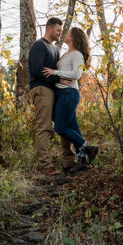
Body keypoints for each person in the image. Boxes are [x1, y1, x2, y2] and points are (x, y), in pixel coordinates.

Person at [44, 26, 98, 173]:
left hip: (69, 93)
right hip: (62, 92)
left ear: (74, 37)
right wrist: (59, 78)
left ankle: (86, 147)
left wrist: (55, 72)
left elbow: (76, 74)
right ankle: (82, 162)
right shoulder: (66, 53)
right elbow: (64, 75)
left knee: (60, 127)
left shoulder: (77, 55)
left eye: (68, 33)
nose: (65, 33)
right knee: (73, 128)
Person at [28, 17, 71, 177]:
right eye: (58, 30)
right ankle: (46, 166)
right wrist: (58, 79)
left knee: (63, 124)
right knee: (44, 127)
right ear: (50, 28)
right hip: (41, 89)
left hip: (54, 90)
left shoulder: (55, 49)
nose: (60, 34)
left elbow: (55, 71)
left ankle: (69, 161)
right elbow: (37, 70)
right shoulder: (39, 45)